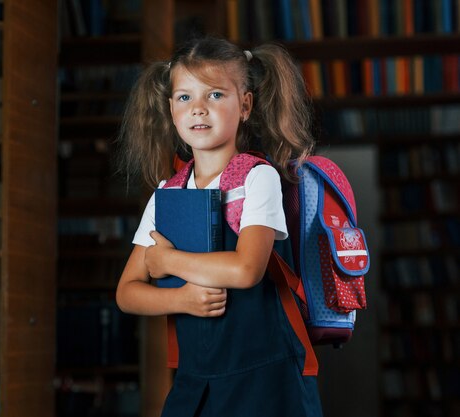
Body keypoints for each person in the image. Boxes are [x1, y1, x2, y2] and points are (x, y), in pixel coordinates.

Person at [115, 35, 323, 417]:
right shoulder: (167, 192)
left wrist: (169, 261)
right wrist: (180, 300)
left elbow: (246, 270)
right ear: (170, 110)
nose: (198, 109)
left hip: (265, 377)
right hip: (197, 378)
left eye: (214, 95)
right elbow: (127, 293)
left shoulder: (258, 179)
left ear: (244, 105)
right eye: (184, 98)